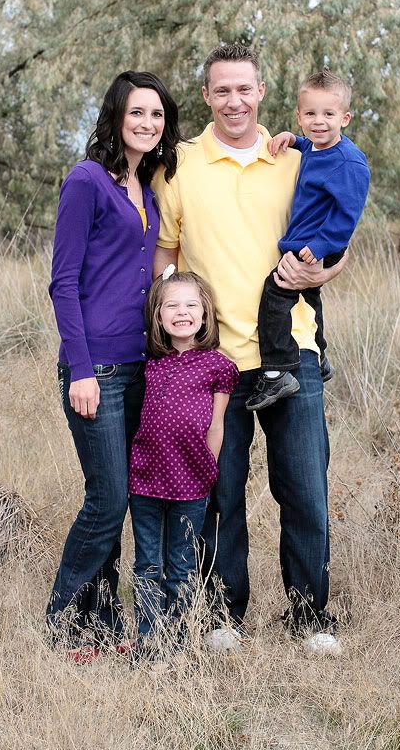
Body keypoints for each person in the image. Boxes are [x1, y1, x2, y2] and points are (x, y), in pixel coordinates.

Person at [152, 43, 346, 655]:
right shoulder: (178, 167)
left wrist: (323, 273)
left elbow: (337, 239)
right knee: (219, 493)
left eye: (244, 89)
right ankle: (222, 616)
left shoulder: (295, 159)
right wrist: (170, 329)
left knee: (305, 491)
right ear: (206, 96)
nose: (233, 101)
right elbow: (165, 254)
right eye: (222, 90)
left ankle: (310, 616)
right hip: (213, 362)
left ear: (261, 92)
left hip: (291, 352)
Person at [46, 70, 183, 658]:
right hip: (96, 368)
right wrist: (80, 369)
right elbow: (63, 282)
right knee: (108, 501)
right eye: (137, 113)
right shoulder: (87, 182)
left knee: (121, 496)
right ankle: (61, 621)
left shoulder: (147, 188)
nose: (148, 123)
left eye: (157, 115)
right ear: (116, 117)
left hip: (138, 366)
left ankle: (100, 624)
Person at [128, 268, 239, 653]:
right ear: (158, 317)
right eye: (171, 306)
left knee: (181, 566)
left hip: (191, 482)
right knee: (148, 565)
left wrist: (209, 469)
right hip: (145, 479)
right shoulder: (150, 363)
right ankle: (149, 644)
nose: (182, 312)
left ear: (205, 314)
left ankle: (177, 643)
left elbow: (217, 425)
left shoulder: (218, 366)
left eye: (191, 305)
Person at [246, 69, 370, 411]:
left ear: (344, 118)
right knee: (309, 297)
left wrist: (319, 247)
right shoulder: (315, 147)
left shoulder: (349, 163)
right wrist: (293, 139)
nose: (319, 121)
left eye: (328, 114)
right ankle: (321, 356)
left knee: (276, 292)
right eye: (310, 114)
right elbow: (312, 150)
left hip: (319, 242)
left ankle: (276, 371)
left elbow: (347, 217)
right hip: (310, 241)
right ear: (299, 116)